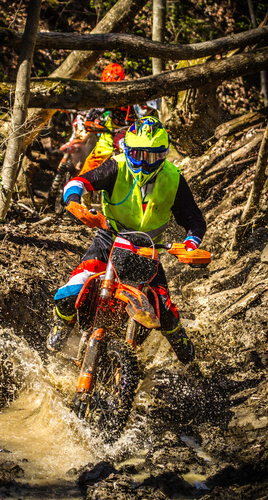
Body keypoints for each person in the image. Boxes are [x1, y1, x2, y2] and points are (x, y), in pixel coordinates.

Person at [48, 116, 207, 364]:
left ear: (164, 155)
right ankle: (62, 322)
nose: (144, 163)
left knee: (165, 312)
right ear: (127, 150)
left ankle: (192, 366)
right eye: (138, 154)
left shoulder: (173, 177)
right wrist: (74, 203)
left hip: (148, 252)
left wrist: (189, 246)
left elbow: (195, 220)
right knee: (72, 291)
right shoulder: (117, 166)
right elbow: (79, 181)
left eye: (152, 157)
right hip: (108, 241)